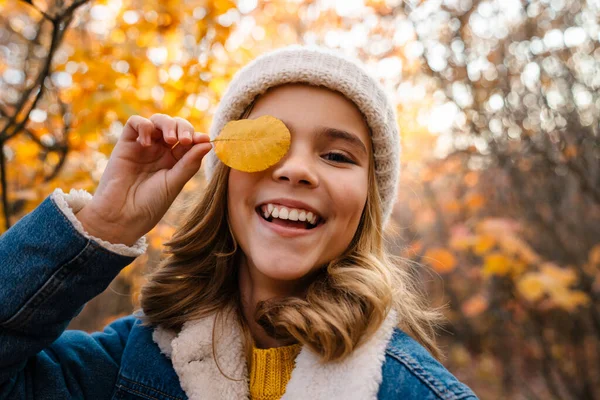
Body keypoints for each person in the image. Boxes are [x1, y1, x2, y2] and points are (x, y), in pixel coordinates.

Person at [0, 45, 478, 400]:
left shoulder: (420, 392)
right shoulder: (124, 365)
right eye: (269, 143)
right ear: (226, 178)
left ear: (368, 204)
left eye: (335, 155)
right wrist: (104, 224)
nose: (296, 170)